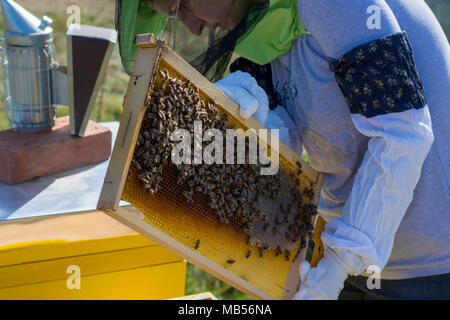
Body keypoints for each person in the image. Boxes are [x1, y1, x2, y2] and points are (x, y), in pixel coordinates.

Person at [116, 0, 450, 299]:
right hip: (351, 248)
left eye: (182, 7)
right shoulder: (265, 24)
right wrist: (245, 110)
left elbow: (404, 132)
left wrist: (337, 263)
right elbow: (285, 142)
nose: (194, 27)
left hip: (428, 263)